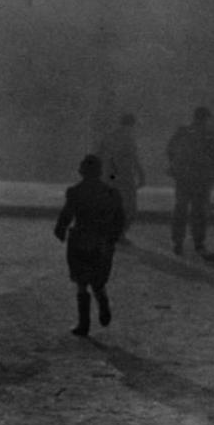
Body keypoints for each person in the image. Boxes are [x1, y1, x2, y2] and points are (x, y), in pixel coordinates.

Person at [54, 155, 125, 337]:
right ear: (99, 172)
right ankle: (103, 303)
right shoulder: (111, 193)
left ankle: (83, 324)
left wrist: (60, 230)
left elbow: (67, 214)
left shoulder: (75, 192)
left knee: (81, 282)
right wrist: (112, 238)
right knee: (98, 280)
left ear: (82, 171)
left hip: (80, 240)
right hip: (101, 242)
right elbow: (119, 219)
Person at [165, 106, 214, 255]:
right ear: (205, 118)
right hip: (201, 178)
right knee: (199, 212)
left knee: (181, 209)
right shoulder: (209, 135)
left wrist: (176, 166)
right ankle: (198, 243)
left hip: (183, 176)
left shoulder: (183, 131)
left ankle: (178, 242)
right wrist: (213, 174)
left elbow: (170, 149)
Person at [95, 113, 145, 241]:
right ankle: (120, 233)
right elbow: (134, 158)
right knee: (130, 207)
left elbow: (99, 155)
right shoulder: (129, 138)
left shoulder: (109, 136)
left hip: (109, 175)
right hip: (124, 175)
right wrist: (141, 174)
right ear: (132, 124)